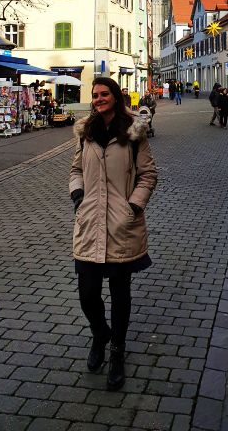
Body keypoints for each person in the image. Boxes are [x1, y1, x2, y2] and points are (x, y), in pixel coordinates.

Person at [69, 77, 157, 390]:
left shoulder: (134, 131)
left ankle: (117, 352)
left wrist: (134, 206)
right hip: (90, 222)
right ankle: (100, 333)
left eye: (104, 94)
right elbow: (76, 170)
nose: (98, 99)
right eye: (95, 95)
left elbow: (148, 174)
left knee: (121, 295)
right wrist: (78, 196)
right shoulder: (85, 131)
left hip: (122, 224)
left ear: (116, 96)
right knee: (87, 293)